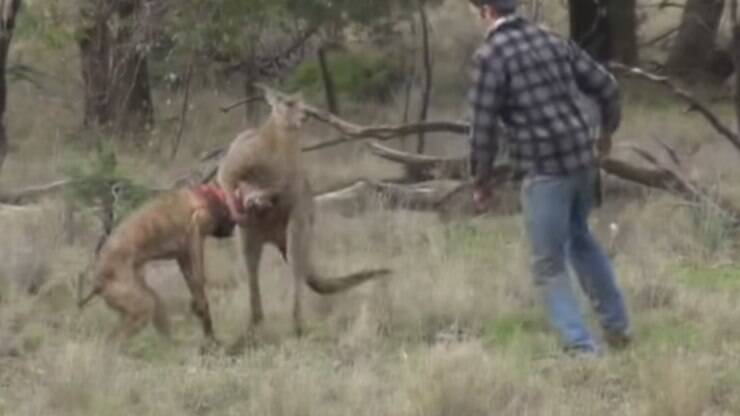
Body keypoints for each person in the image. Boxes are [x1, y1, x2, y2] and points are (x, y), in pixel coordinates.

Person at [467, 0, 631, 356]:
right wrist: (606, 131)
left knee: (547, 263)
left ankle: (580, 347)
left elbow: (482, 129)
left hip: (545, 171)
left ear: (485, 12)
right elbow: (607, 86)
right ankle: (617, 327)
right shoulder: (552, 39)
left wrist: (480, 182)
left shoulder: (490, 56)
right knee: (581, 239)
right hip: (582, 160)